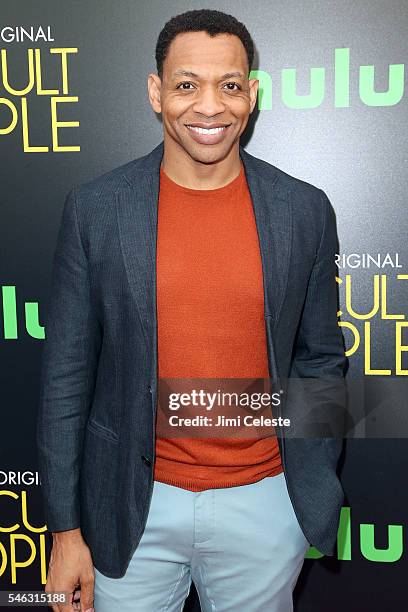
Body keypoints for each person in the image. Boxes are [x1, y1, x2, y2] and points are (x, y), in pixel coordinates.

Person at [36, 8, 347, 612]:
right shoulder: (96, 210)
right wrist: (66, 529)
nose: (210, 106)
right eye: (186, 84)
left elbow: (320, 360)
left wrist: (305, 488)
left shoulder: (303, 210)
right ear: (156, 93)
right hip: (130, 509)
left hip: (265, 506)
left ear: (251, 95)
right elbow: (65, 377)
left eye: (229, 85)